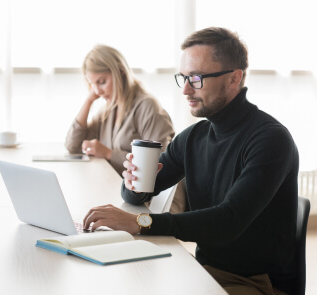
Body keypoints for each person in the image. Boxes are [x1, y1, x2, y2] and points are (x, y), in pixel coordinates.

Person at [83, 27, 299, 295]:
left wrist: (140, 223)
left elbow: (229, 221)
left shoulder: (270, 140)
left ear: (234, 78)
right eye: (183, 77)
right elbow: (137, 194)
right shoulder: (194, 137)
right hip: (204, 270)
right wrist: (134, 180)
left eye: (196, 78)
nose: (185, 89)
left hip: (254, 283)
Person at [65, 44, 175, 175]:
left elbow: (158, 163)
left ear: (121, 73)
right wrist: (88, 101)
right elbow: (73, 146)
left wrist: (108, 154)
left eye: (101, 82)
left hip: (151, 194)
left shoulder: (147, 106)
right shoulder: (106, 112)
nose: (97, 91)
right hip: (118, 188)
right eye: (92, 84)